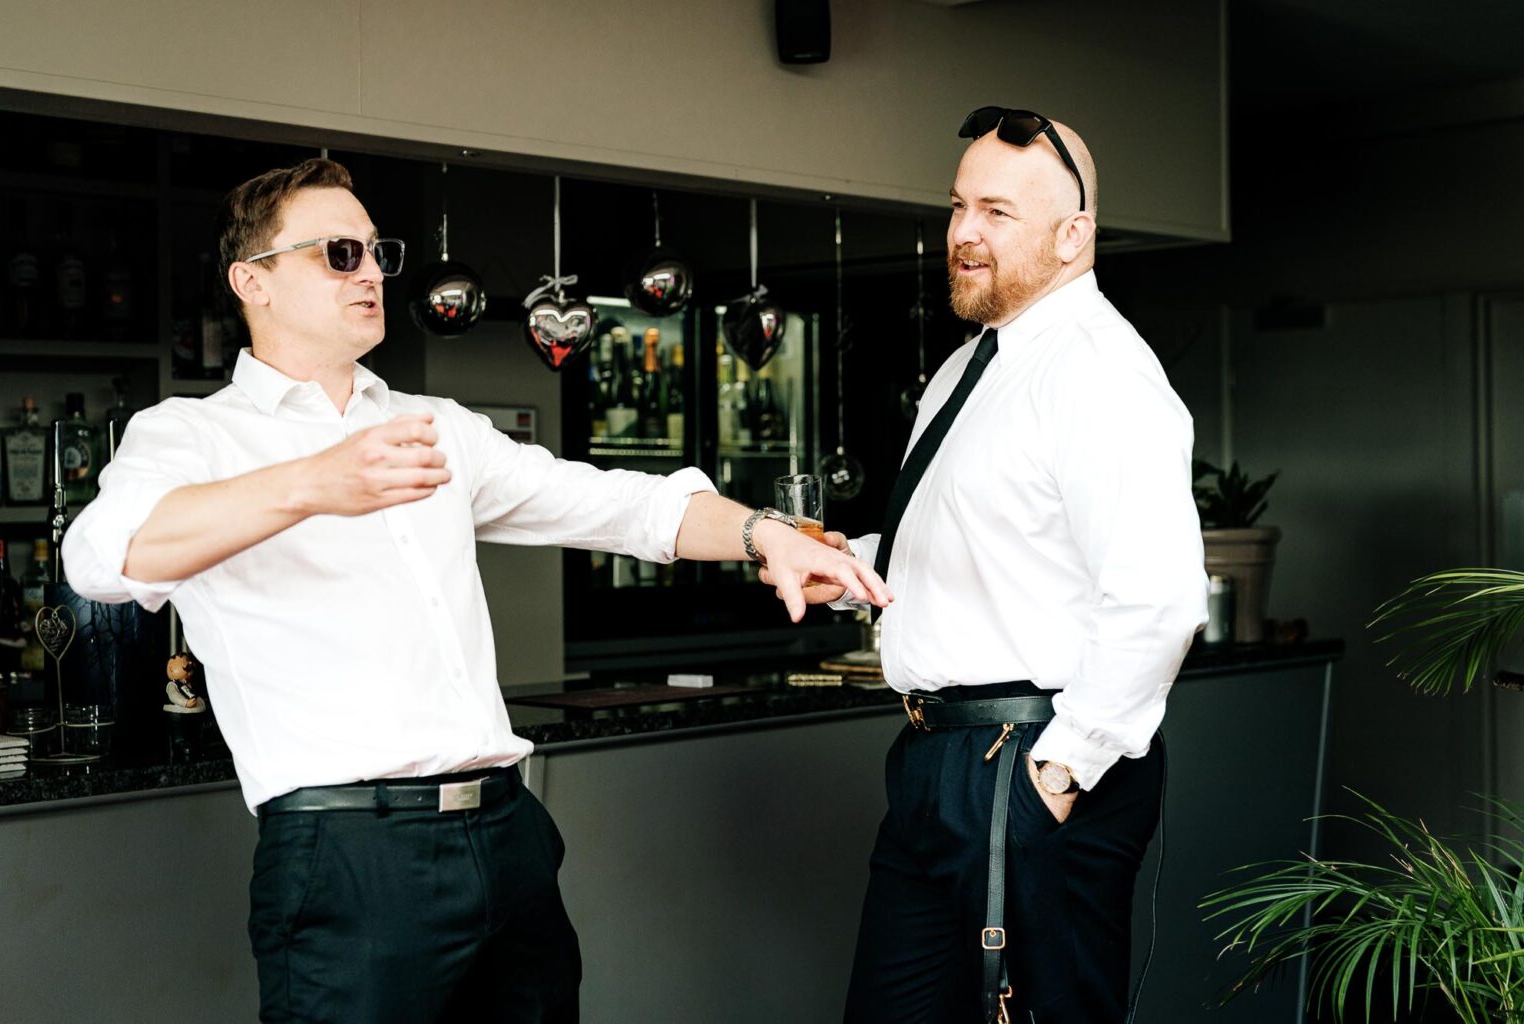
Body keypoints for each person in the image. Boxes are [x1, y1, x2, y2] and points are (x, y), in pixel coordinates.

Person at [61, 157, 890, 1024]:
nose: (374, 272)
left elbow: (622, 505)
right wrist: (312, 483)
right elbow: (100, 559)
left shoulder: (436, 427)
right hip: (348, 849)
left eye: (378, 251)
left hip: (506, 833)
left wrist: (767, 535)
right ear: (252, 281)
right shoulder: (191, 434)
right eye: (339, 254)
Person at [765, 109, 1208, 1022]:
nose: (963, 233)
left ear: (1071, 234)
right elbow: (990, 538)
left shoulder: (1100, 372)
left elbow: (1158, 597)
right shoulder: (970, 366)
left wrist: (1061, 772)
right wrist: (853, 561)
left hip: (1029, 760)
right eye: (959, 205)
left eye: (997, 212)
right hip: (937, 763)